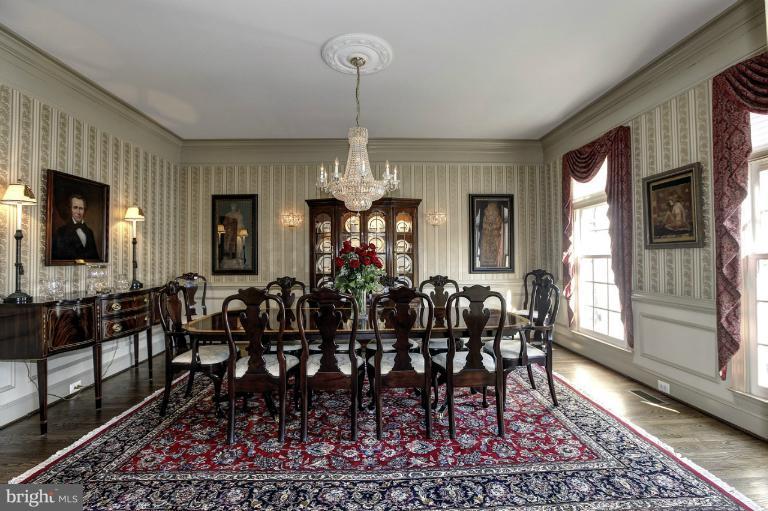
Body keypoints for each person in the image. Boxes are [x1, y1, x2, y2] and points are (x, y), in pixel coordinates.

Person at [53, 194, 100, 260]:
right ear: (70, 209)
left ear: (84, 210)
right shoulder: (61, 232)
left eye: (81, 208)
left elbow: (95, 257)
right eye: (75, 207)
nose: (78, 212)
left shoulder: (89, 232)